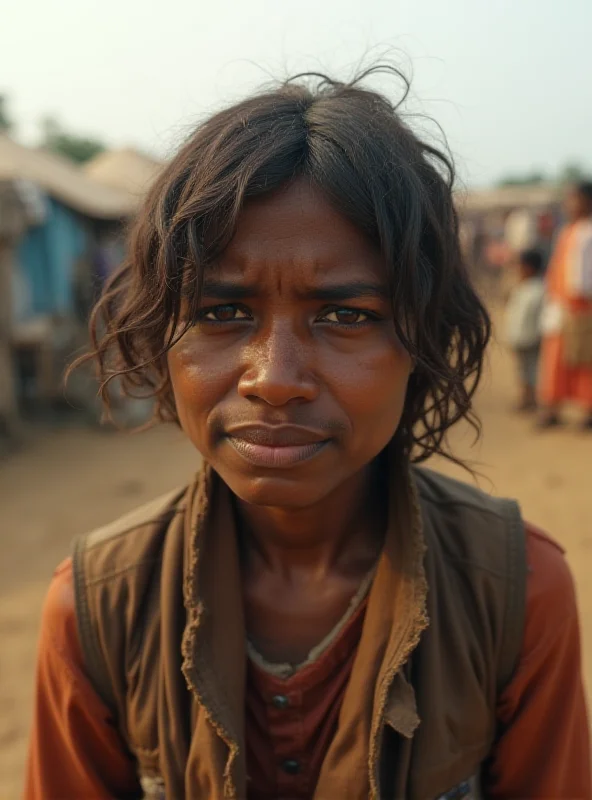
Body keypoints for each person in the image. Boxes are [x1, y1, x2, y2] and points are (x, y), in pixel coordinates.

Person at [25, 69, 590, 800]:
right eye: (222, 314)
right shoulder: (98, 611)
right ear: (163, 344)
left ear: (421, 343)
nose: (275, 377)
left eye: (345, 315)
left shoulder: (514, 590)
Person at [538, 182, 592, 428]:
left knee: (583, 361)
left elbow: (582, 279)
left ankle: (588, 410)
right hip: (561, 308)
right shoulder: (568, 230)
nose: (570, 204)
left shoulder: (587, 231)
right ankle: (552, 408)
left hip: (582, 310)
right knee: (555, 360)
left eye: (575, 199)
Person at [505, 248, 545, 411]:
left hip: (532, 338)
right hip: (519, 338)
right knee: (522, 370)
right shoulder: (520, 288)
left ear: (529, 268)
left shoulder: (539, 290)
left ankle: (533, 398)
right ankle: (525, 398)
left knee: (533, 370)